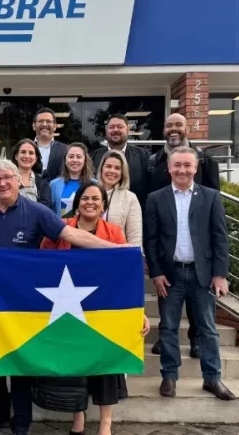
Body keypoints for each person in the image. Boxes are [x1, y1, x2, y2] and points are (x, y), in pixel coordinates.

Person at [0, 159, 128, 435]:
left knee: (21, 359)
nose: (2, 183)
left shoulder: (36, 211)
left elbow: (71, 234)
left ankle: (21, 422)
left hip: (25, 301)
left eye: (7, 177)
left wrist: (116, 249)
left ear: (18, 180)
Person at [40, 182, 150, 435]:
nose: (90, 202)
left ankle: (105, 423)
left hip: (104, 310)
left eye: (96, 199)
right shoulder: (60, 229)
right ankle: (78, 417)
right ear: (77, 203)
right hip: (68, 309)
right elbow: (42, 266)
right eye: (85, 198)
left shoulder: (114, 232)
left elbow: (126, 277)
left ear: (103, 206)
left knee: (106, 366)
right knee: (74, 365)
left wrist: (138, 311)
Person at [143, 146, 234, 401]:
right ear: (168, 168)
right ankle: (169, 376)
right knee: (168, 328)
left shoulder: (211, 197)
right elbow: (151, 240)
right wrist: (156, 273)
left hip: (202, 275)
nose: (182, 170)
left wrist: (220, 274)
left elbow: (220, 238)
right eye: (177, 165)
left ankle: (212, 378)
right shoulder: (155, 198)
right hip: (170, 275)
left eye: (187, 165)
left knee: (208, 329)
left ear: (195, 168)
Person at [146, 113, 220, 358]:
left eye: (178, 125)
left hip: (198, 251)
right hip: (168, 249)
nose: (174, 129)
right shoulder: (154, 160)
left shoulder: (206, 161)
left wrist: (220, 271)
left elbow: (215, 207)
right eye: (169, 125)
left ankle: (196, 340)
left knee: (203, 317)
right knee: (168, 313)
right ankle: (168, 349)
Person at [89, 114, 150, 206]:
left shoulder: (144, 156)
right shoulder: (93, 157)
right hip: (101, 210)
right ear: (106, 130)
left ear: (128, 130)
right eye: (111, 127)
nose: (115, 130)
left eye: (120, 126)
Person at [95, 151, 143, 248]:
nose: (112, 171)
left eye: (117, 168)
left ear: (122, 173)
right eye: (108, 166)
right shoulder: (88, 192)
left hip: (117, 254)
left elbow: (135, 238)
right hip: (89, 253)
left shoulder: (130, 198)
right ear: (101, 168)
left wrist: (134, 255)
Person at [49, 142, 95, 216]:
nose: (75, 160)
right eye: (71, 156)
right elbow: (51, 212)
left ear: (85, 160)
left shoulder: (95, 184)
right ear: (65, 160)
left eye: (79, 157)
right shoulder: (54, 184)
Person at [10, 138, 51, 207]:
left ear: (36, 159)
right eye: (23, 152)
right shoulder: (6, 178)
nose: (27, 156)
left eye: (31, 153)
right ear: (16, 156)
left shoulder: (43, 181)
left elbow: (45, 206)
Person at [32, 107, 68, 179]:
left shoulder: (66, 150)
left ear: (55, 126)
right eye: (40, 121)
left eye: (48, 121)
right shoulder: (24, 149)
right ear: (34, 126)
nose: (44, 124)